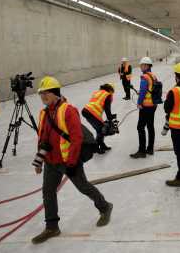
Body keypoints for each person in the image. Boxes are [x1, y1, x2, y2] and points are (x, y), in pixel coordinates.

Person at [32, 76, 112, 244]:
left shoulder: (68, 110)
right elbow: (42, 139)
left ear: (55, 93)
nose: (43, 97)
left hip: (68, 160)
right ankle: (52, 227)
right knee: (48, 192)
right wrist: (39, 160)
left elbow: (76, 139)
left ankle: (104, 206)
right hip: (51, 162)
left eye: (46, 93)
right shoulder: (43, 113)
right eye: (41, 94)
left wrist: (72, 164)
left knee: (83, 187)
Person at [130, 57, 157, 158]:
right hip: (153, 105)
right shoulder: (153, 76)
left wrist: (139, 103)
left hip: (146, 106)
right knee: (150, 126)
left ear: (146, 65)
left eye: (141, 65)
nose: (140, 66)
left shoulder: (144, 77)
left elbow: (143, 92)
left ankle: (142, 151)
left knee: (140, 127)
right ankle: (150, 149)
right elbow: (151, 90)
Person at [81, 83, 115, 154]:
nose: (112, 93)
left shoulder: (98, 92)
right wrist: (110, 119)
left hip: (86, 110)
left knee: (99, 129)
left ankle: (102, 145)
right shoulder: (107, 95)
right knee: (101, 130)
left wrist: (110, 117)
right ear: (110, 90)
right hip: (92, 113)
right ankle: (96, 148)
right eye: (113, 91)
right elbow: (107, 109)